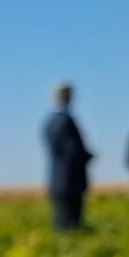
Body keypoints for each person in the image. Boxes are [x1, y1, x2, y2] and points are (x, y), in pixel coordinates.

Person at [43, 83, 94, 231]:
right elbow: (73, 150)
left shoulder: (49, 122)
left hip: (57, 179)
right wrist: (87, 156)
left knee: (60, 220)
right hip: (71, 179)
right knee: (72, 223)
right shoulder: (66, 121)